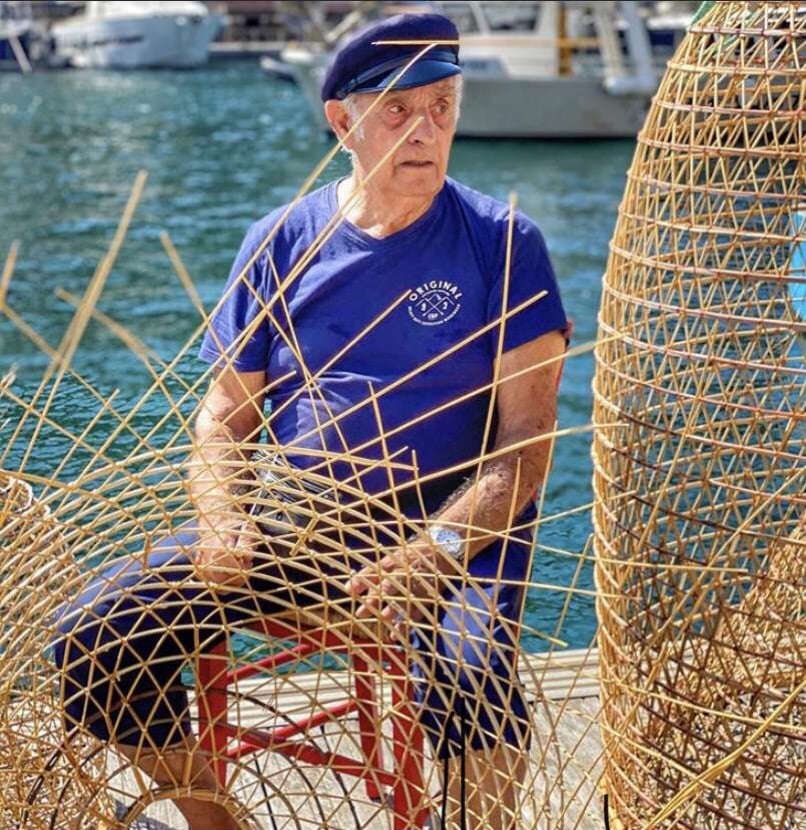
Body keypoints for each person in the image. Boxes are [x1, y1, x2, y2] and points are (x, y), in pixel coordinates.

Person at [53, 13, 568, 830]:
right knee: (92, 636)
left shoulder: (505, 245)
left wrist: (433, 552)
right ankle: (213, 819)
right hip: (295, 536)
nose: (426, 129)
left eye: (442, 105)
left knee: (471, 676)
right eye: (398, 111)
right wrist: (224, 520)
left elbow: (527, 447)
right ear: (343, 122)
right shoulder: (280, 242)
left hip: (449, 542)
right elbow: (224, 420)